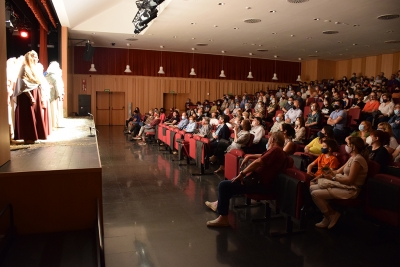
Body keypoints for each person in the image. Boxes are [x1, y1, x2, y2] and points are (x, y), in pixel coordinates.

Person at [204, 132, 290, 227]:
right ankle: (218, 204)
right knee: (233, 181)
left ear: (272, 140)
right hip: (259, 182)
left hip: (260, 185)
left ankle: (223, 218)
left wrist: (242, 173)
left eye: (269, 139)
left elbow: (258, 162)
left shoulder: (275, 150)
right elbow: (262, 156)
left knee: (223, 185)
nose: (268, 141)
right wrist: (250, 156)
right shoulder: (279, 151)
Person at [310, 137, 369, 229]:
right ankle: (328, 215)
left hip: (351, 189)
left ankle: (331, 214)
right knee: (312, 187)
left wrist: (332, 178)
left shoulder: (358, 159)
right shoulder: (352, 158)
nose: (346, 147)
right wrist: (324, 173)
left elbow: (350, 181)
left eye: (348, 144)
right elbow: (337, 171)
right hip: (344, 184)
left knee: (315, 194)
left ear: (354, 147)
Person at [14, 50, 47, 144]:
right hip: (26, 96)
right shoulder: (24, 68)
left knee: (35, 115)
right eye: (35, 57)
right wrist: (31, 97)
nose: (37, 59)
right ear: (30, 57)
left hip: (34, 93)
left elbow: (37, 83)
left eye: (37, 56)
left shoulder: (33, 68)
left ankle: (34, 136)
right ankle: (27, 137)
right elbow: (22, 84)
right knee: (28, 116)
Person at [45, 61, 64, 130]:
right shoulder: (54, 76)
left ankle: (54, 124)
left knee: (53, 110)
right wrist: (60, 95)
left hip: (50, 95)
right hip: (55, 96)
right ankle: (55, 124)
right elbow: (57, 86)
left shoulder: (47, 75)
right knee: (54, 110)